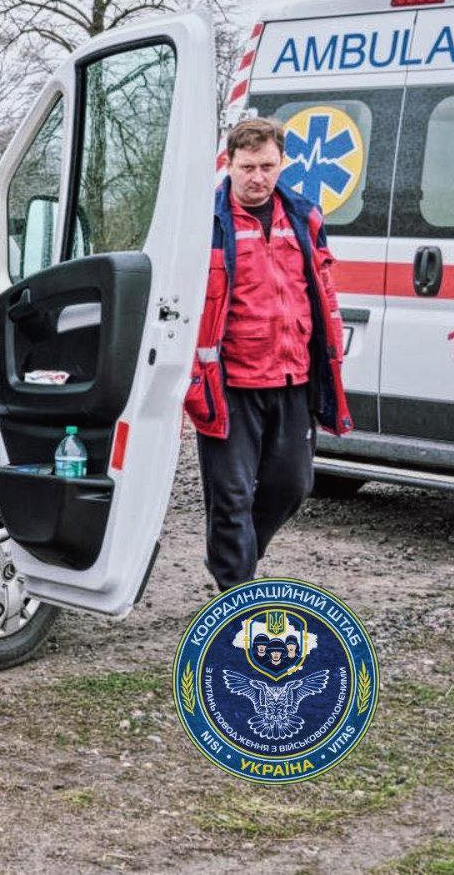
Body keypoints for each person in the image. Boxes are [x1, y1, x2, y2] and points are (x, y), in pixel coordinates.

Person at [186, 118, 353, 592]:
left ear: (282, 164)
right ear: (229, 164)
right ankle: (234, 592)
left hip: (293, 378)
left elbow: (319, 292)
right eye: (247, 167)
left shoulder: (304, 217)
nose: (257, 177)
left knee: (293, 486)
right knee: (231, 494)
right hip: (230, 383)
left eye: (267, 166)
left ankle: (234, 556)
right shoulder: (205, 222)